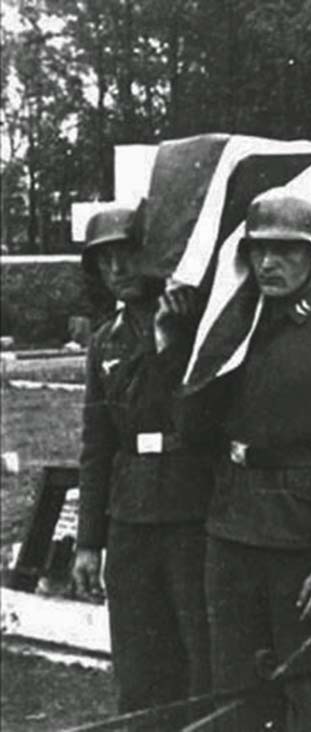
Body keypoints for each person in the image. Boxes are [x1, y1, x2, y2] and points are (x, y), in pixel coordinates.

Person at [170, 188, 311, 731]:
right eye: (258, 250)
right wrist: (179, 340)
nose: (269, 263)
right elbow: (193, 429)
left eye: (287, 250)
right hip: (232, 532)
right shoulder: (233, 326)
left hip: (303, 540)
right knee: (236, 697)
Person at [73, 203, 213, 726]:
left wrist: (167, 342)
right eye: (103, 260)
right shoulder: (103, 342)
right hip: (129, 518)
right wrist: (89, 542)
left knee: (199, 654)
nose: (117, 270)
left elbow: (194, 413)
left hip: (190, 509)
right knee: (136, 660)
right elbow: (96, 446)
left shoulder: (195, 325)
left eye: (126, 254)